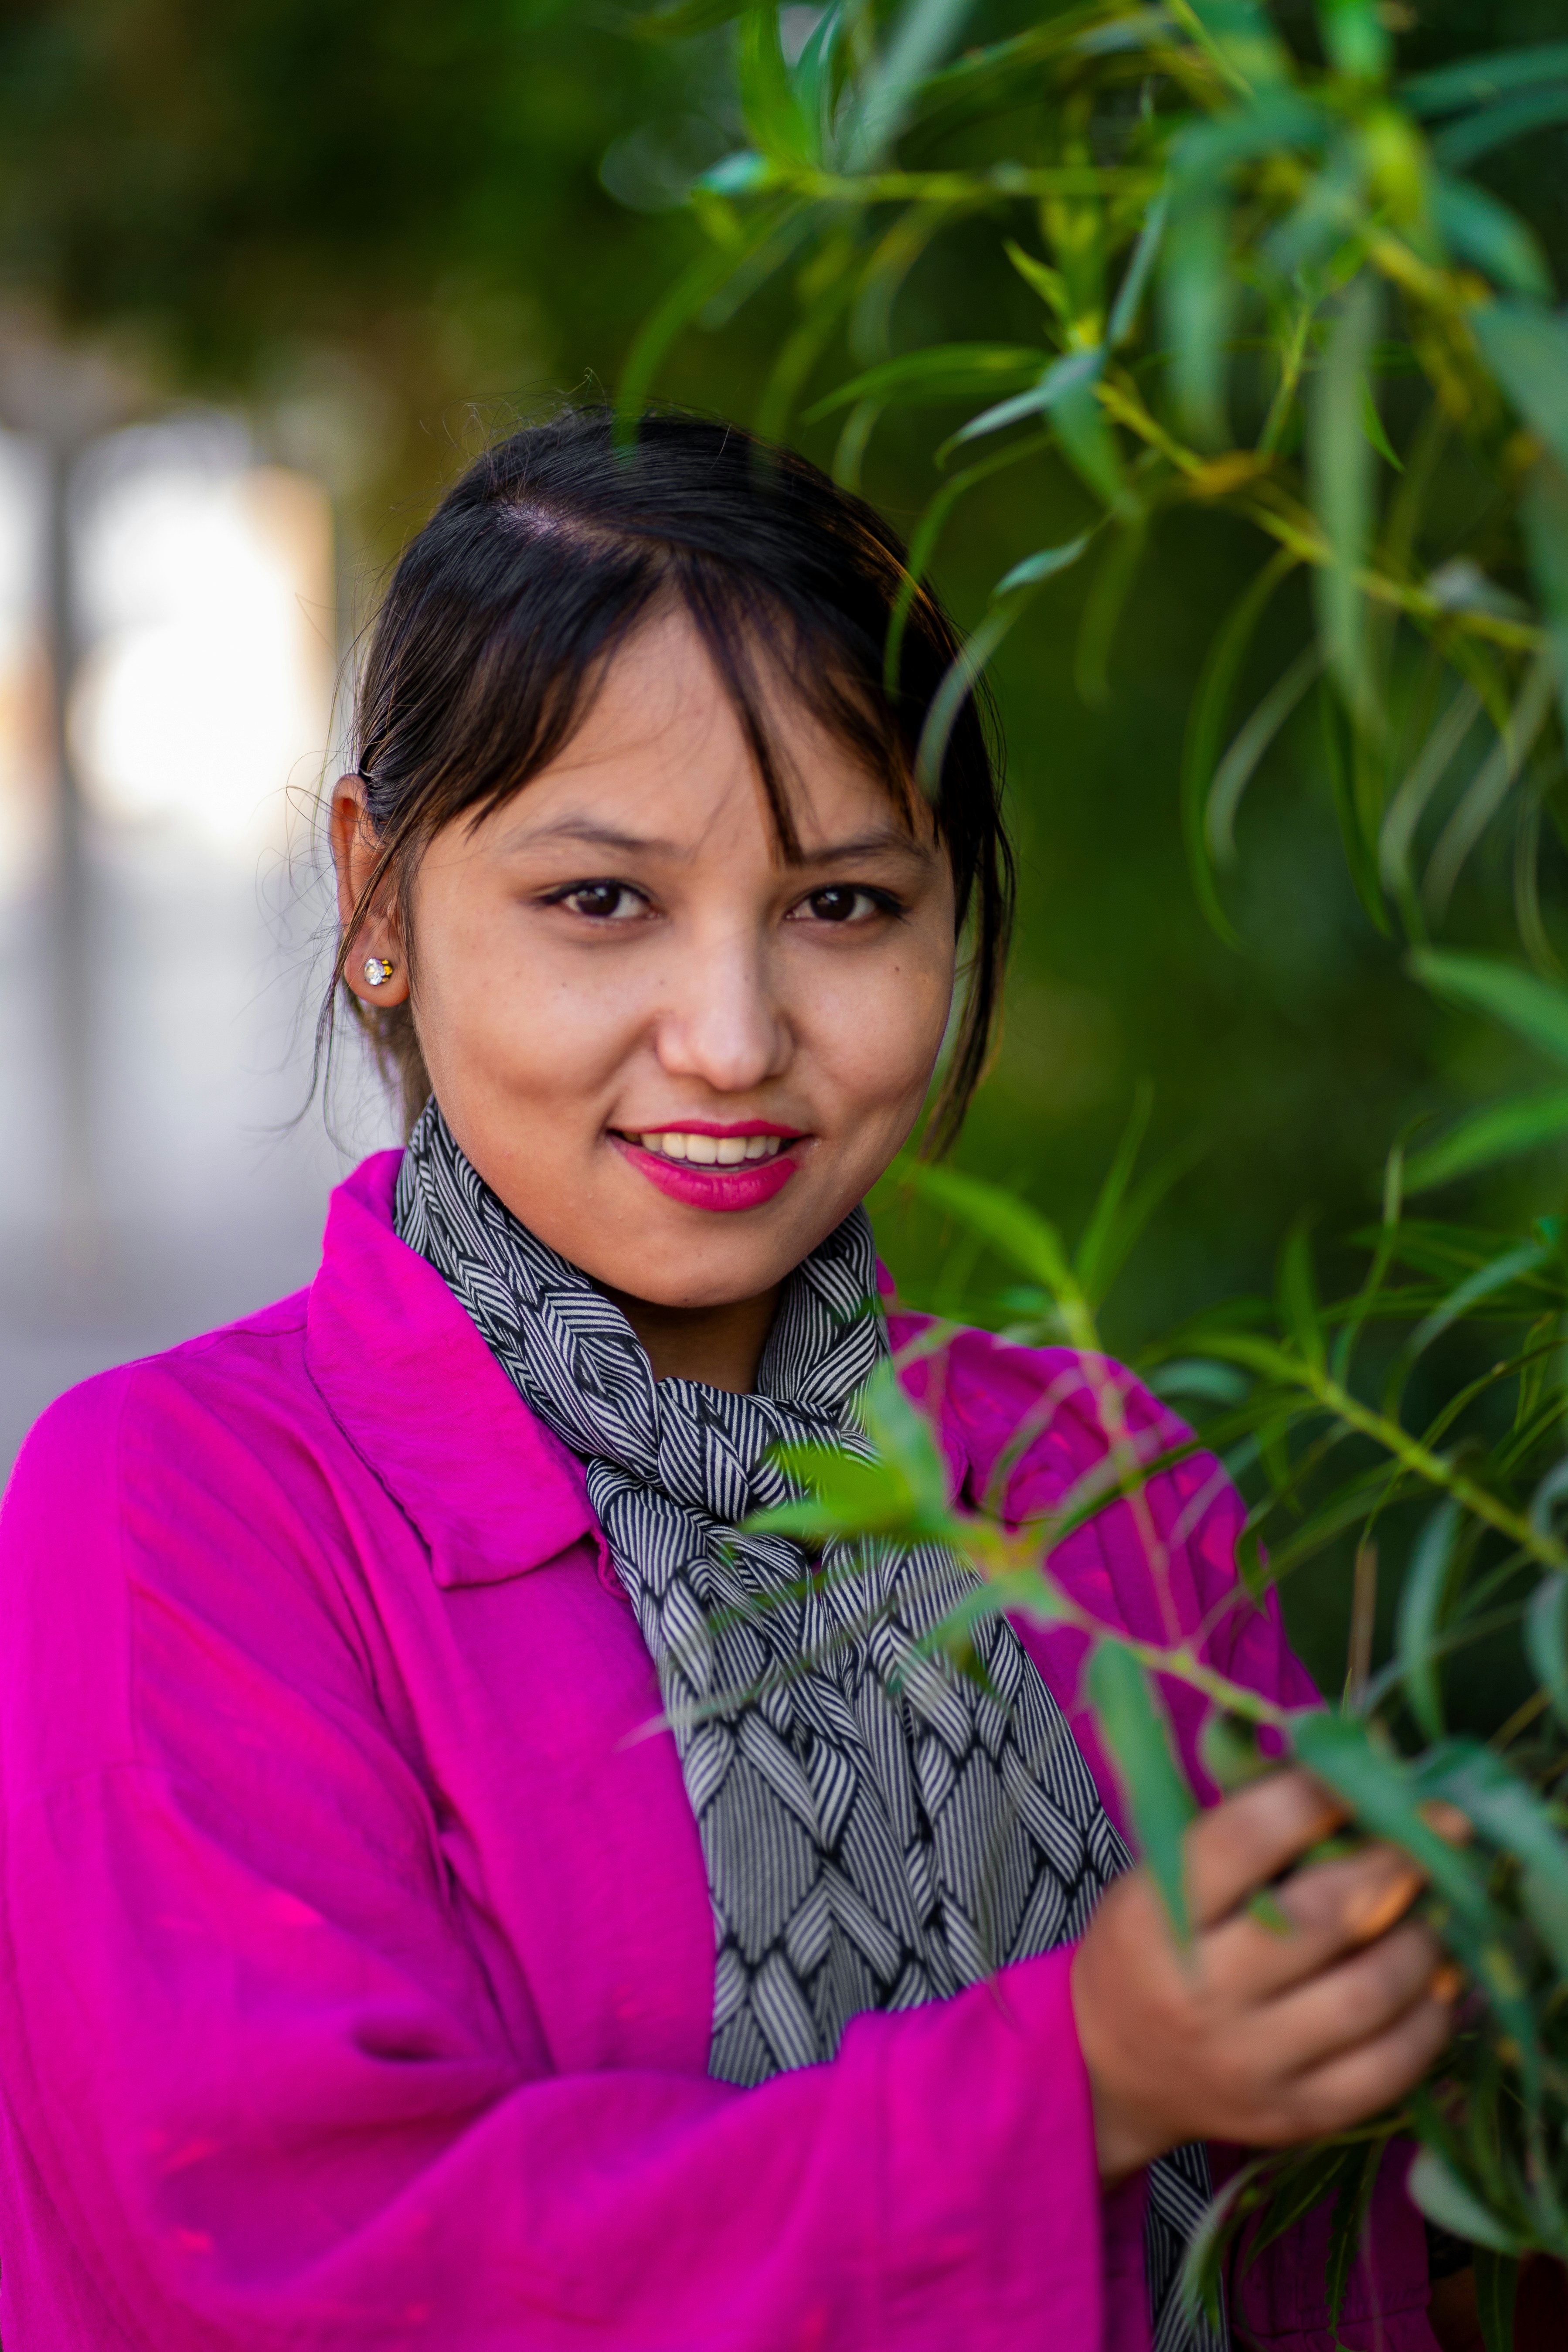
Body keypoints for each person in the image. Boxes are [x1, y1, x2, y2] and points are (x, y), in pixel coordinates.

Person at [0, 410, 1465, 2351]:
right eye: (600, 900)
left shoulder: (1103, 1483)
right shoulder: (182, 1512)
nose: (731, 1034)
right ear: (377, 896)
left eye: (844, 903)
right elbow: (304, 2268)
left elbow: (1364, 2225)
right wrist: (1073, 2084)